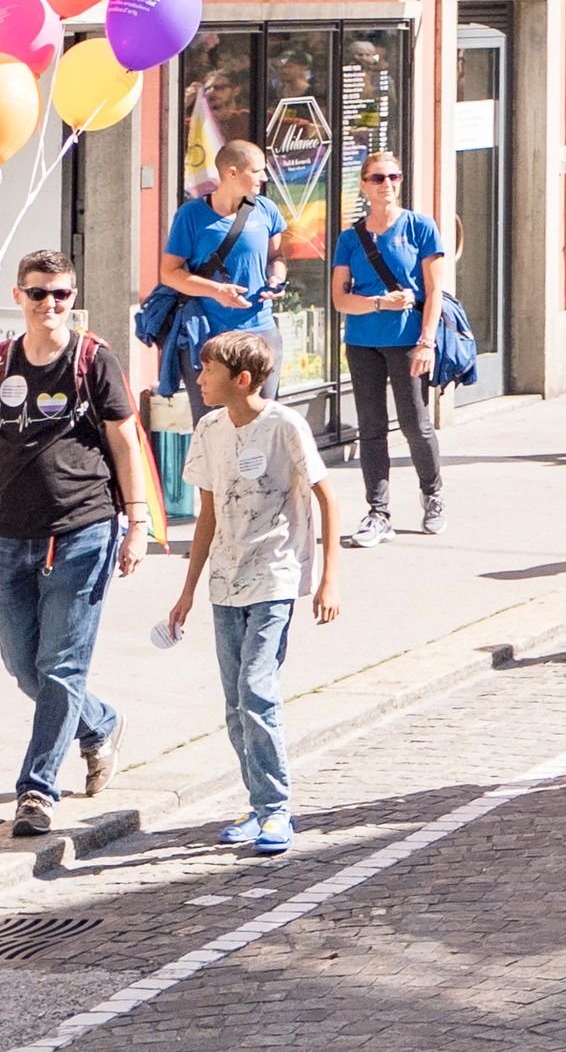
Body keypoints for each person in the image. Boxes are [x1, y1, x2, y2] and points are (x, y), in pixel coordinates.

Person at [161, 329, 336, 855]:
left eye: (207, 371)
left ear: (240, 379)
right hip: (224, 581)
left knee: (256, 689)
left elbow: (328, 498)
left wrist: (328, 578)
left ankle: (277, 809)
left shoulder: (285, 426)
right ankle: (259, 805)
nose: (198, 378)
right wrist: (187, 590)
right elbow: (208, 513)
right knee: (235, 704)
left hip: (276, 576)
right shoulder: (210, 427)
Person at [0, 249, 152, 838]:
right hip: (10, 534)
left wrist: (136, 523)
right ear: (19, 297)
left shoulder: (94, 359)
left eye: (61, 293)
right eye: (39, 293)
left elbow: (124, 440)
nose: (50, 304)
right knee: (25, 666)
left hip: (82, 530)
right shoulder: (4, 361)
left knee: (61, 667)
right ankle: (101, 724)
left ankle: (36, 792)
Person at [327, 149, 449, 546]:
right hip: (362, 342)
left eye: (393, 177)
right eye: (378, 178)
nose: (387, 185)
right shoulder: (351, 238)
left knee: (415, 422)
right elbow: (340, 300)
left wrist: (426, 341)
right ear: (364, 185)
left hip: (407, 342)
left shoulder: (419, 227)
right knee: (371, 428)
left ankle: (433, 493)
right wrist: (379, 303)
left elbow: (434, 292)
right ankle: (378, 512)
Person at [154, 140, 285, 415]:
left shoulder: (266, 210)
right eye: (257, 171)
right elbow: (169, 273)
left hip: (259, 330)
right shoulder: (191, 215)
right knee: (211, 420)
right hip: (209, 333)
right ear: (232, 173)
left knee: (263, 418)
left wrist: (276, 280)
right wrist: (217, 291)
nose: (264, 177)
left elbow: (277, 258)